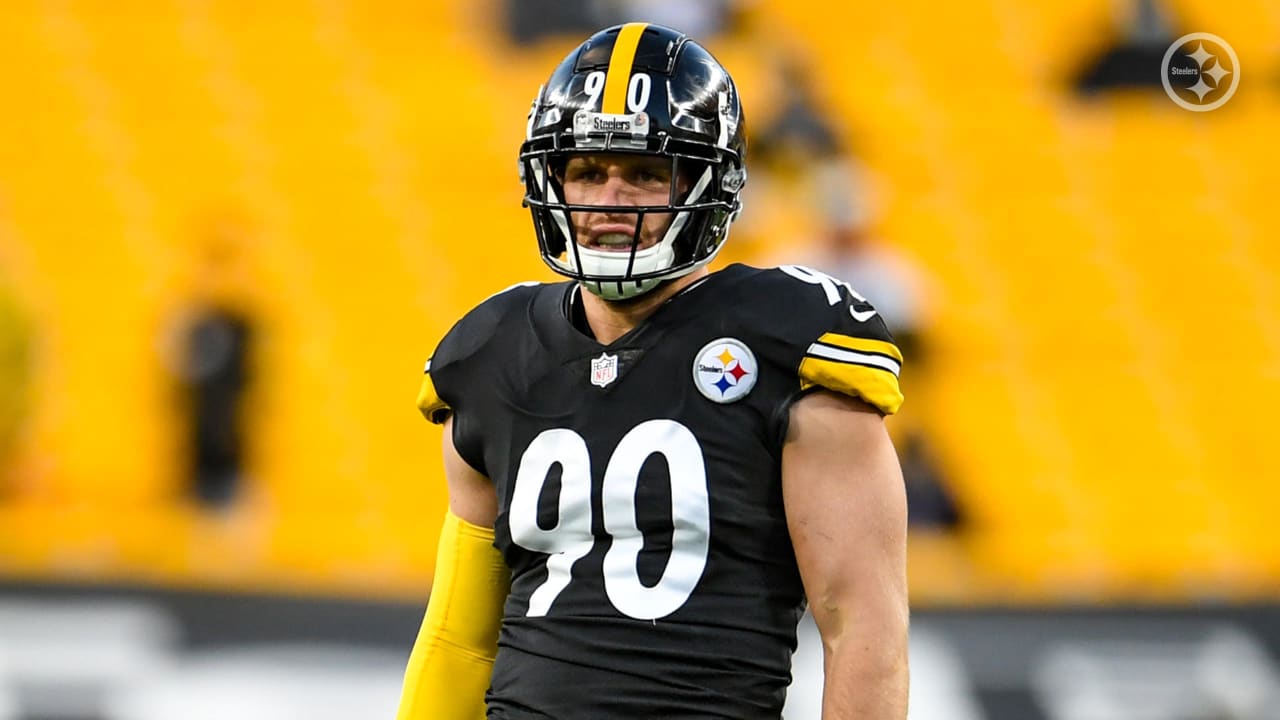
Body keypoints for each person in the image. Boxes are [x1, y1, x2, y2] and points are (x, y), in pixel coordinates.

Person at [396, 23, 909, 719]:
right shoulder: (492, 352)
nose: (610, 199)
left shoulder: (789, 345)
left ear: (708, 182)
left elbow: (861, 628)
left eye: (644, 173)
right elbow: (460, 638)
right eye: (585, 171)